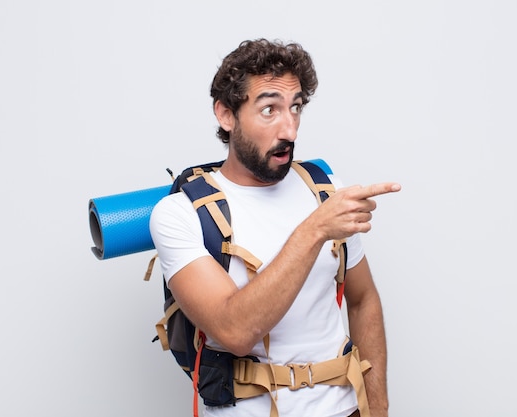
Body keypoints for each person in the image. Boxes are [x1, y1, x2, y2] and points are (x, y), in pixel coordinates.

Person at [149, 38, 400, 417]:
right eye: (269, 110)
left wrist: (377, 408)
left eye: (295, 108)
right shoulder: (178, 215)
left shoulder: (322, 189)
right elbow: (234, 331)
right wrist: (314, 230)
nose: (290, 130)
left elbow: (363, 299)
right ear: (226, 114)